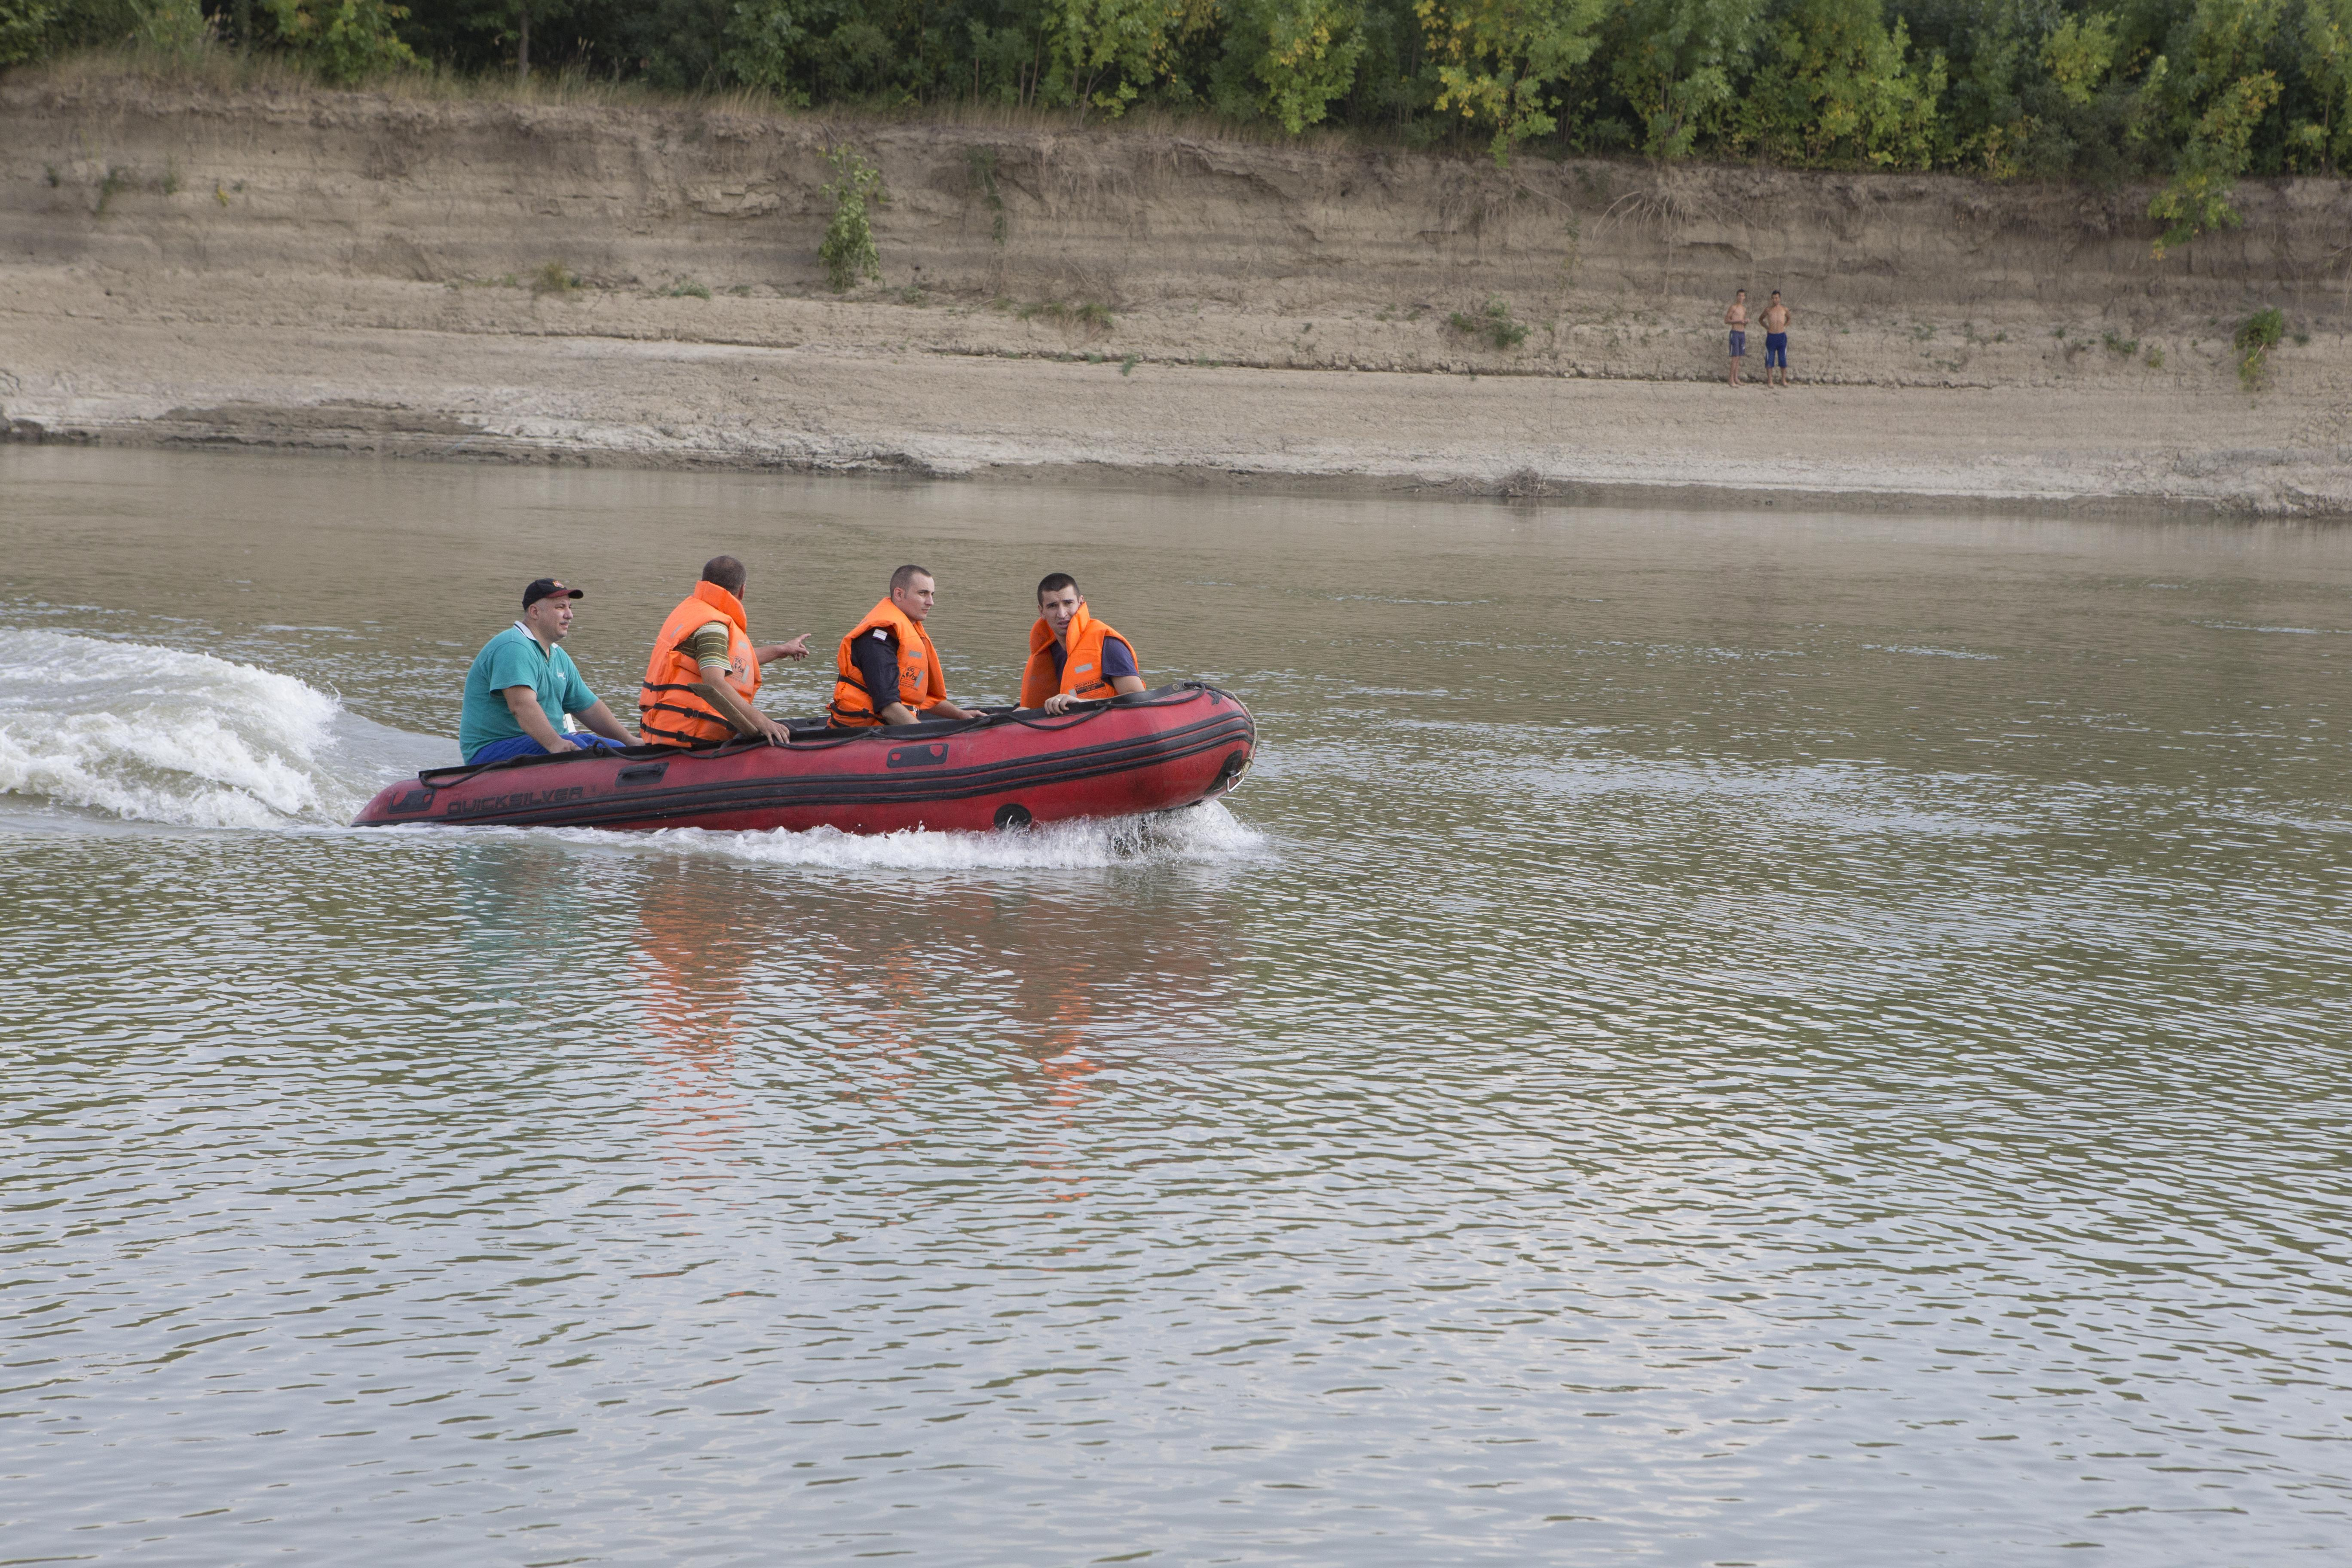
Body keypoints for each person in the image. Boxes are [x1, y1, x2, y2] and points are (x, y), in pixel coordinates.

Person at [637, 555, 811, 748]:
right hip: (688, 738)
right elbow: (714, 682)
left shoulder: (693, 612)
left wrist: (781, 650)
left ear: (704, 582)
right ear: (742, 591)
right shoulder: (713, 627)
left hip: (666, 729)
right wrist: (763, 722)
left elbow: (725, 662)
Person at [457, 577, 636, 764]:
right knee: (576, 747)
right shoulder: (513, 647)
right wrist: (556, 744)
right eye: (560, 607)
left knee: (617, 748)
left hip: (539, 742)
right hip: (491, 749)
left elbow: (590, 708)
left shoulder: (558, 655)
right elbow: (521, 706)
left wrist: (631, 742)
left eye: (570, 607)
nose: (569, 615)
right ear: (535, 612)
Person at [830, 564, 982, 728]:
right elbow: (889, 708)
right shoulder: (876, 643)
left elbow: (920, 699)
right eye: (923, 594)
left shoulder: (903, 635)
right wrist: (926, 737)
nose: (931, 602)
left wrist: (960, 715)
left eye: (932, 595)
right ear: (899, 594)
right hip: (863, 734)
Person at [1020, 573, 1145, 715]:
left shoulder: (1108, 644)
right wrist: (1021, 714)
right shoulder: (1048, 651)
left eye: (1068, 603)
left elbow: (1137, 697)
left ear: (1080, 603)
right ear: (1042, 611)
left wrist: (1082, 703)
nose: (1062, 614)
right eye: (1053, 606)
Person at [1761, 289, 1793, 387]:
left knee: (1783, 359)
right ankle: (1770, 381)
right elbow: (1761, 319)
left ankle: (1783, 380)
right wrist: (1767, 328)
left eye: (1776, 298)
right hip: (1771, 337)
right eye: (1773, 298)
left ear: (1780, 298)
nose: (1775, 300)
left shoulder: (1784, 309)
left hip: (1781, 336)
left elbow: (1789, 318)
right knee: (1770, 358)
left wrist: (1785, 326)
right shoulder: (1768, 310)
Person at [1724, 289, 1749, 387]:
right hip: (1735, 333)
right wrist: (1738, 321)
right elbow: (1727, 320)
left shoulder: (1744, 309)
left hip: (1742, 333)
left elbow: (1742, 323)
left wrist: (1745, 322)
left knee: (1738, 357)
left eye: (1743, 296)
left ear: (1745, 297)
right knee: (1735, 357)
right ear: (1737, 297)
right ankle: (1731, 379)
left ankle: (1736, 378)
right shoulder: (1733, 308)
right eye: (1739, 296)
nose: (1741, 298)